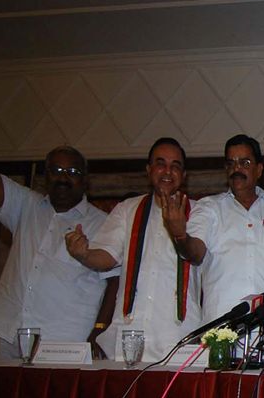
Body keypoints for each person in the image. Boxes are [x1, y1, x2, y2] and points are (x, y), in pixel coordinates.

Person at [0, 89, 118, 358]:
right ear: (45, 177)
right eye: (56, 170)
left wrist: (99, 330)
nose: (64, 177)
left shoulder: (104, 223)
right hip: (9, 331)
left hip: (64, 339)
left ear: (86, 181)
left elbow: (114, 282)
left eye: (73, 172)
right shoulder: (26, 206)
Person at [65, 137, 202, 363]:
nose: (168, 171)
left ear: (184, 175)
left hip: (177, 335)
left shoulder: (199, 212)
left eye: (175, 166)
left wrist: (180, 231)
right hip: (129, 332)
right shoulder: (127, 210)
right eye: (161, 164)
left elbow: (199, 256)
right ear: (149, 171)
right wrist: (84, 254)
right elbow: (107, 257)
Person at [160, 134, 264, 322]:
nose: (237, 168)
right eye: (231, 163)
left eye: (244, 163)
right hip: (221, 330)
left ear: (259, 169)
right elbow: (194, 253)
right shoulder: (209, 207)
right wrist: (179, 235)